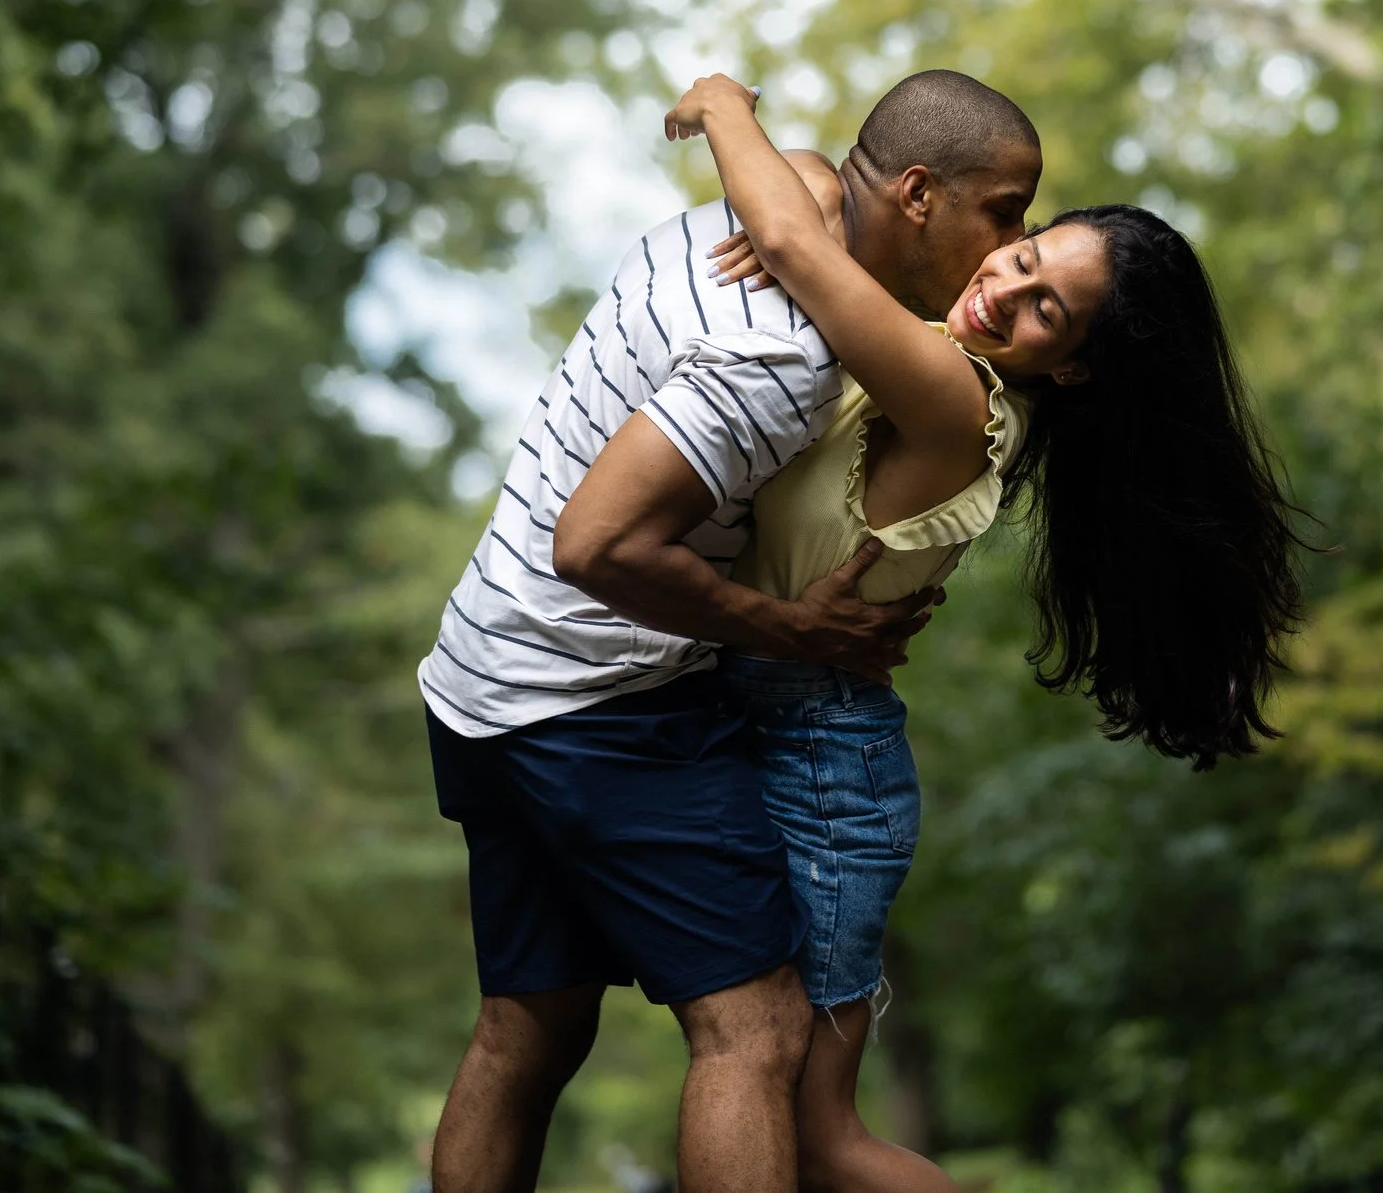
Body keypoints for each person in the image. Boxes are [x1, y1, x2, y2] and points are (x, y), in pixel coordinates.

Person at [603, 71, 1306, 1193]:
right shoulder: (937, 355)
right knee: (769, 1090)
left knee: (821, 1130)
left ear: (1071, 365)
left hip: (823, 767)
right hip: (771, 728)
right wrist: (822, 182)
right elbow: (821, 208)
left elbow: (789, 238)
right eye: (1023, 255)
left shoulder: (951, 393)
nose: (1004, 289)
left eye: (1046, 311)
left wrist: (724, 108)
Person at [420, 69, 1043, 1193]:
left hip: (478, 671)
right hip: (592, 701)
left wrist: (726, 110)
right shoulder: (784, 354)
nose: (1014, 238)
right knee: (755, 1033)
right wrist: (795, 629)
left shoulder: (729, 221)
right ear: (916, 194)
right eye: (1004, 209)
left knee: (527, 1028)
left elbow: (798, 186)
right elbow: (598, 545)